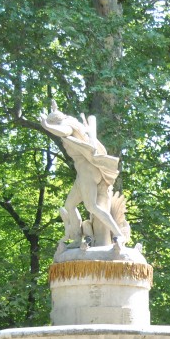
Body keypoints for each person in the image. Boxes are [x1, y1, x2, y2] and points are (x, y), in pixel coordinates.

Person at [40, 102, 129, 247]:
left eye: (54, 125)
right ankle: (76, 238)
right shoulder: (71, 124)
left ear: (57, 123)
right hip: (82, 175)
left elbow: (64, 131)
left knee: (92, 207)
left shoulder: (68, 127)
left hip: (88, 172)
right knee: (69, 205)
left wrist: (47, 126)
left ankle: (118, 234)